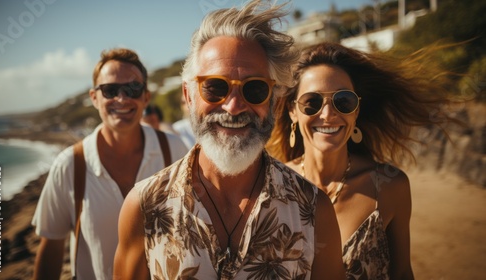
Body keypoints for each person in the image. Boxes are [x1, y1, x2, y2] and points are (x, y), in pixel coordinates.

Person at [114, 1, 345, 279]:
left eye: (255, 88)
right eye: (215, 87)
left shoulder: (314, 209)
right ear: (189, 96)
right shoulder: (143, 206)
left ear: (273, 100)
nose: (234, 107)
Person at [267, 42, 460, 279]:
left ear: (356, 110)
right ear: (292, 110)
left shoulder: (389, 186)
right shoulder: (273, 188)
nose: (328, 114)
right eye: (312, 102)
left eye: (343, 101)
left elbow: (402, 273)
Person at [31, 48, 188, 280]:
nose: (122, 98)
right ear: (95, 98)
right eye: (110, 90)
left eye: (133, 89)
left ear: (146, 96)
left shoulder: (175, 151)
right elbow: (52, 246)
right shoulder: (70, 165)